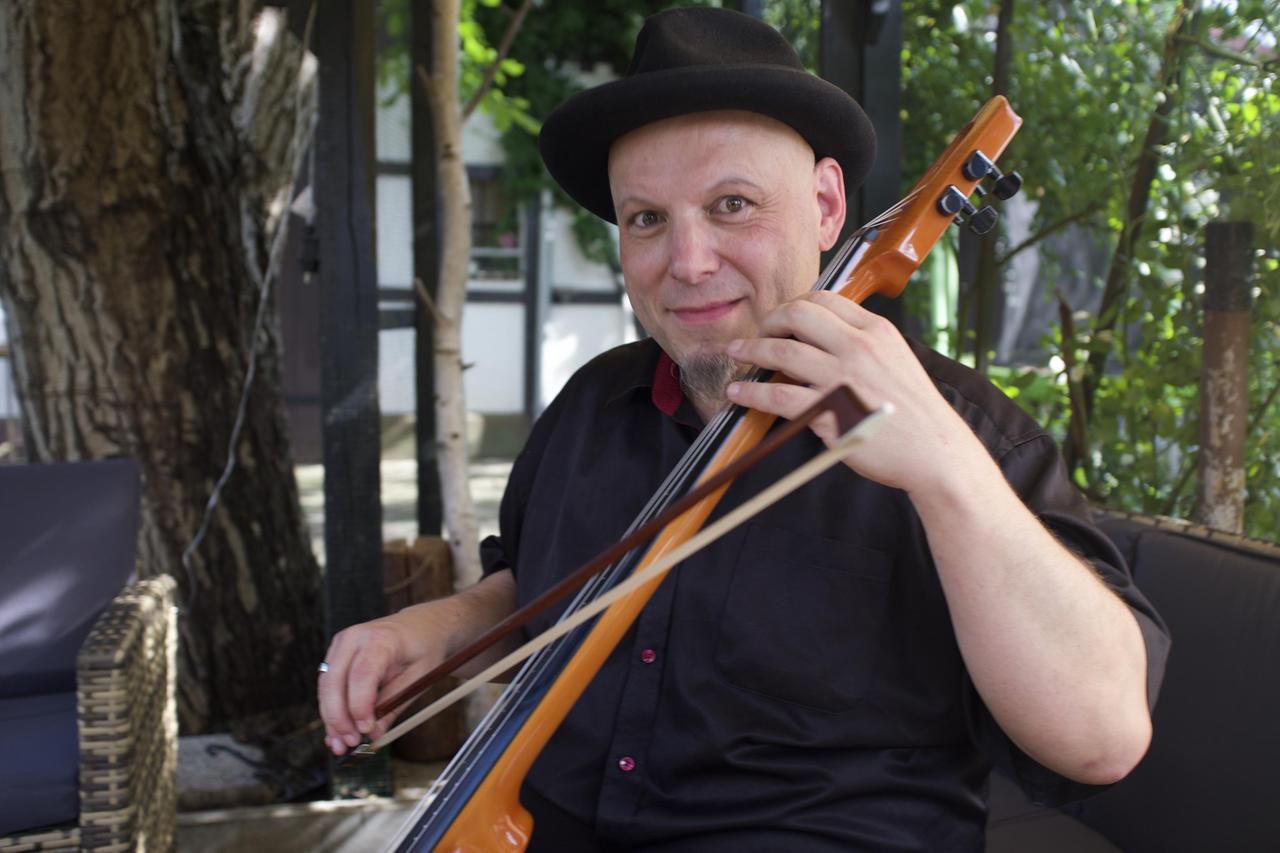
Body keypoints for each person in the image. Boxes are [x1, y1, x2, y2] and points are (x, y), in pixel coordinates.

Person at [319, 8, 1169, 850]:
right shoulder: (590, 407)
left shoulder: (967, 435)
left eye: (732, 204)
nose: (687, 263)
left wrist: (946, 471)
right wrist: (436, 629)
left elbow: (1100, 735)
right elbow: (544, 585)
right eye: (647, 218)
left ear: (828, 206)